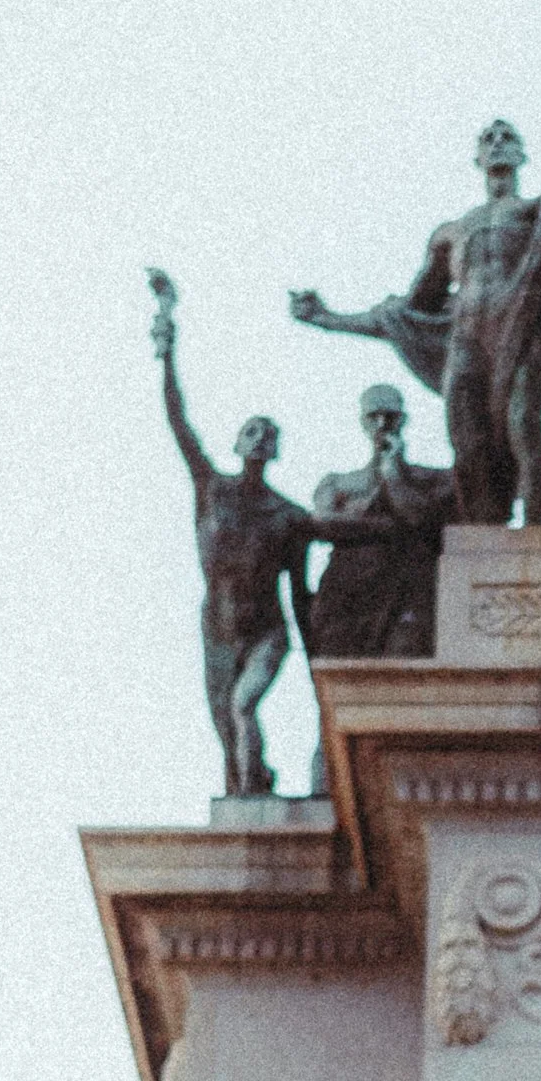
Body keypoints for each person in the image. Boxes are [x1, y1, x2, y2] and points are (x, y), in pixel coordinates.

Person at [290, 108, 541, 526]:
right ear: (477, 159)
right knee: (467, 442)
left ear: (521, 155)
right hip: (467, 339)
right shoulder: (451, 232)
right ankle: (485, 531)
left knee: (523, 423)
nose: (497, 143)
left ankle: (533, 532)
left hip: (519, 330)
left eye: (506, 137)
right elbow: (407, 310)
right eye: (488, 138)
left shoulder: (536, 209)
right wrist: (328, 318)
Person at [149, 270, 337, 797]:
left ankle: (252, 783)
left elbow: (298, 589)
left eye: (268, 435)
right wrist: (167, 346)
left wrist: (316, 656)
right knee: (226, 733)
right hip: (217, 627)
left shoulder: (287, 516)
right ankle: (253, 786)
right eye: (251, 432)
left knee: (243, 706)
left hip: (265, 632)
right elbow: (178, 419)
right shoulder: (211, 488)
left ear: (275, 451)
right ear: (237, 444)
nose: (259, 439)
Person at [303, 384, 453, 672]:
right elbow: (322, 524)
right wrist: (386, 526)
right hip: (348, 593)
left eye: (390, 416)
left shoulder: (430, 479)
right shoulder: (338, 483)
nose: (382, 424)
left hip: (407, 593)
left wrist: (393, 475)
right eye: (374, 417)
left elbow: (419, 516)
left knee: (402, 671)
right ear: (363, 422)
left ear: (402, 420)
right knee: (344, 676)